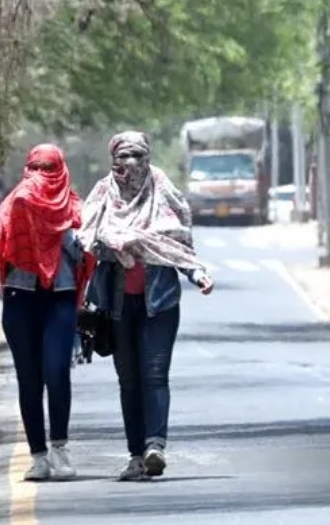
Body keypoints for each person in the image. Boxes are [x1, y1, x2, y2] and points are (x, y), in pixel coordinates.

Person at [79, 131, 213, 481]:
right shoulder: (103, 195)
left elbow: (178, 244)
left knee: (155, 375)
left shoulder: (163, 190)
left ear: (148, 157)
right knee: (128, 382)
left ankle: (155, 446)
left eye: (138, 155)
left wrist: (196, 273)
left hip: (160, 303)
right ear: (113, 159)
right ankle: (136, 456)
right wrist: (115, 243)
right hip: (118, 306)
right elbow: (85, 239)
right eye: (123, 156)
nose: (131, 163)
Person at [0, 145, 95, 482]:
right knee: (29, 379)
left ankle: (60, 448)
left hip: (60, 298)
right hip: (21, 298)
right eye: (35, 167)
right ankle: (38, 456)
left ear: (61, 169)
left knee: (57, 371)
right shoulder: (15, 202)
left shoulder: (75, 207)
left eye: (48, 167)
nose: (41, 174)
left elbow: (89, 252)